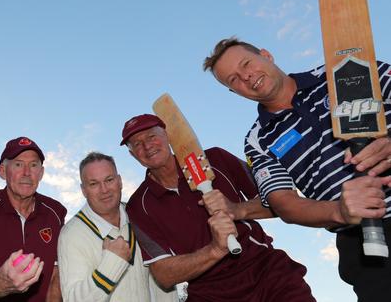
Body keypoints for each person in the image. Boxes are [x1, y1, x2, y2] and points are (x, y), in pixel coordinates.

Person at [203, 37, 391, 301]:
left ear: (266, 55)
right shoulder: (257, 140)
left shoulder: (343, 71)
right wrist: (340, 211)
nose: (246, 77)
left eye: (246, 63)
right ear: (235, 93)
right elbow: (285, 205)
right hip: (362, 247)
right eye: (233, 80)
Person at [122, 113, 315, 301]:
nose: (147, 146)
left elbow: (282, 202)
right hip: (208, 292)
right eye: (137, 144)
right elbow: (164, 275)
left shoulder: (216, 159)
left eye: (152, 136)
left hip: (263, 271)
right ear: (132, 154)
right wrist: (215, 249)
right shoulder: (139, 206)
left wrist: (237, 210)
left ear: (168, 136)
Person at [58, 151, 176, 302]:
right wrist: (112, 262)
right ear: (83, 190)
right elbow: (74, 299)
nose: (104, 190)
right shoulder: (71, 234)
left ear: (119, 181)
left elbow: (163, 281)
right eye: (94, 184)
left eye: (109, 180)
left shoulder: (141, 216)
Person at [0, 136, 66, 301]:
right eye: (18, 164)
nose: (27, 173)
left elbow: (56, 278)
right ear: (2, 171)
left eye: (33, 165)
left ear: (41, 173)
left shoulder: (56, 212)